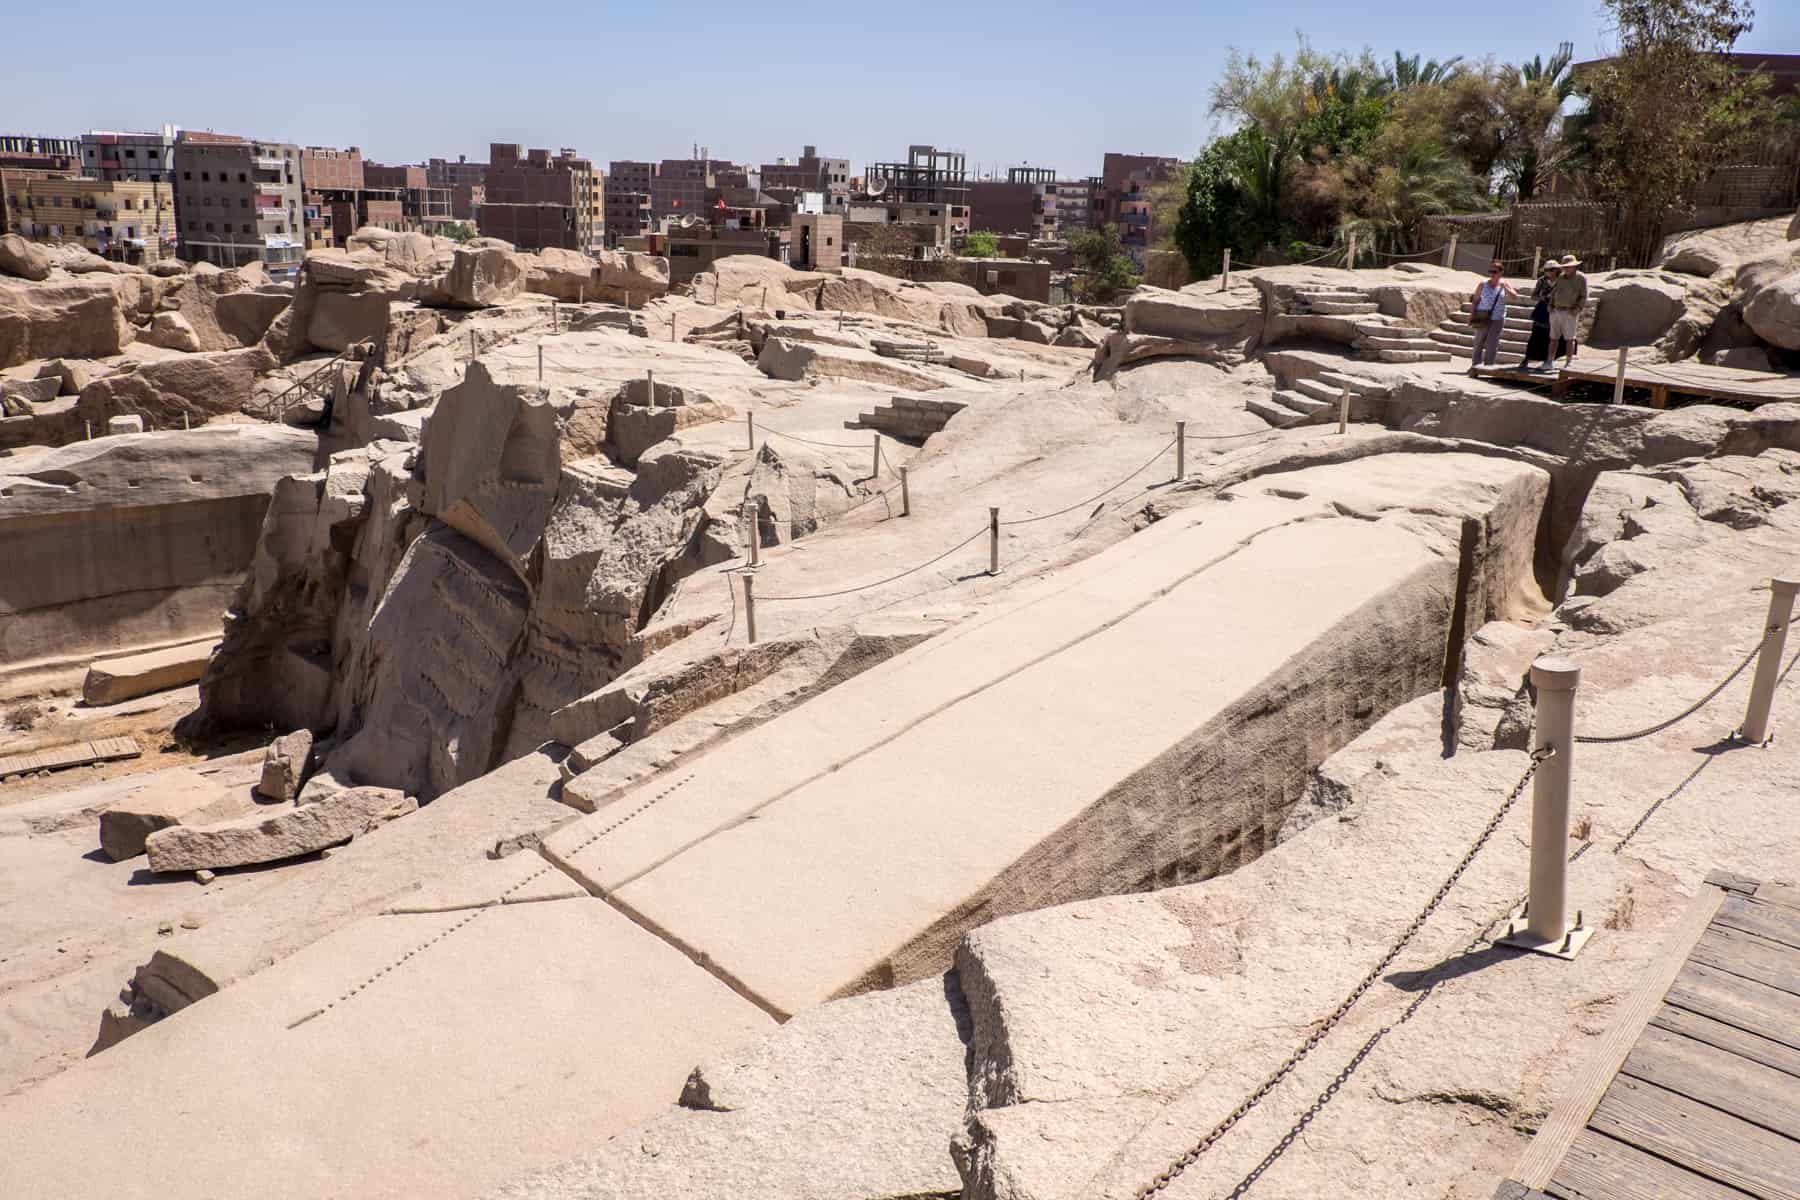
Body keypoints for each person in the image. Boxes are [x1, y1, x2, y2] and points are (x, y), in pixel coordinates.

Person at [1467, 261, 1518, 374]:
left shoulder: (1504, 284)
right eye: (1490, 271)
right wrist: (1471, 315)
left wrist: (1506, 288)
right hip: (1482, 315)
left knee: (1492, 343)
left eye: (1494, 272)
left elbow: (1515, 297)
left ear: (1501, 272)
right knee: (1479, 341)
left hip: (1497, 318)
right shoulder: (1482, 284)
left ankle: (1488, 367)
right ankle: (1475, 366)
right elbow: (1475, 301)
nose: (1492, 274)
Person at [1549, 253, 1588, 369]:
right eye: (1564, 266)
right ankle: (1549, 361)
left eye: (1568, 266)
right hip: (1556, 310)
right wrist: (1550, 305)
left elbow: (1583, 296)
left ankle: (1568, 362)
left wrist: (1577, 309)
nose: (1566, 268)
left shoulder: (1581, 278)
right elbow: (1554, 293)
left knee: (1569, 338)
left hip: (1570, 311)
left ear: (1575, 266)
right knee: (1553, 337)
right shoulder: (1560, 277)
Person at [1520, 261, 1558, 370]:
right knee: (1535, 335)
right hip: (1542, 310)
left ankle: (1548, 359)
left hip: (1555, 309)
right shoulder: (1541, 281)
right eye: (1546, 270)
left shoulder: (1561, 281)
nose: (1548, 272)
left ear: (1556, 270)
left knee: (1551, 336)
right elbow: (1534, 296)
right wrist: (1542, 297)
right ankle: (1527, 358)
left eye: (1551, 270)